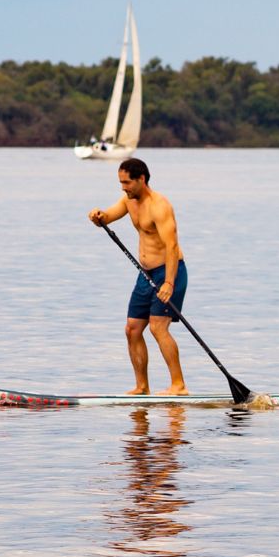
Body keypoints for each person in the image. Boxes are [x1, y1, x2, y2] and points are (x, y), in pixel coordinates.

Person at [88, 157, 189, 396]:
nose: (123, 187)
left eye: (127, 183)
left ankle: (179, 385)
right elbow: (109, 215)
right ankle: (142, 387)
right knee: (132, 329)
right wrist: (98, 216)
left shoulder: (160, 206)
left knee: (158, 328)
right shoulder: (129, 200)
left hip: (169, 271)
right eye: (121, 183)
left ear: (141, 179)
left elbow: (172, 247)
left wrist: (169, 283)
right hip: (146, 274)